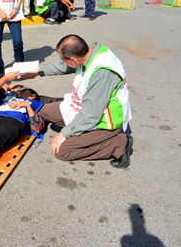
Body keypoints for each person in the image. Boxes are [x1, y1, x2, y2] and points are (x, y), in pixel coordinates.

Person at [19, 35, 133, 168]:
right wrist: (38, 73)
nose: (63, 63)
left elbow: (91, 114)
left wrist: (64, 133)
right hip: (82, 107)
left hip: (104, 121)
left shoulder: (102, 73)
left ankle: (118, 144)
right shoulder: (89, 52)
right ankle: (83, 135)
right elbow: (64, 67)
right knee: (45, 111)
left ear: (72, 59)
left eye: (64, 60)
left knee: (62, 151)